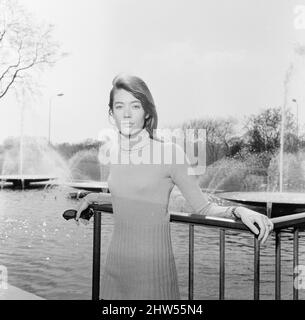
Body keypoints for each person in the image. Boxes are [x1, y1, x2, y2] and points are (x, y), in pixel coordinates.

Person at [75, 74, 273, 300]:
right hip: (114, 270)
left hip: (152, 275)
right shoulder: (115, 154)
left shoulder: (170, 153)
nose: (127, 114)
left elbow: (204, 207)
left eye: (135, 106)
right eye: (119, 106)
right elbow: (131, 200)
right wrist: (92, 198)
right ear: (112, 113)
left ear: (147, 112)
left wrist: (239, 211)